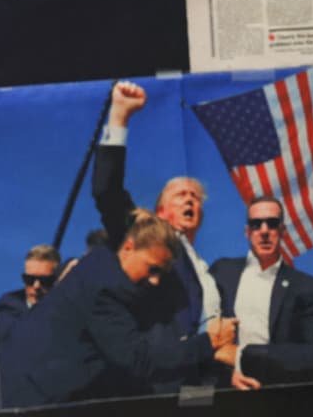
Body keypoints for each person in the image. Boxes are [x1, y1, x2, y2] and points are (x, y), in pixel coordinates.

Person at [0, 212, 237, 410]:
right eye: (152, 269)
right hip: (22, 402)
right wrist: (209, 343)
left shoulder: (103, 261)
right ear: (129, 247)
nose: (155, 281)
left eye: (162, 273)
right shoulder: (105, 290)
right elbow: (139, 361)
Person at [95, 81, 229, 388]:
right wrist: (119, 118)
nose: (190, 201)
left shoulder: (206, 269)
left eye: (195, 198)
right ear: (160, 210)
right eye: (180, 195)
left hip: (207, 380)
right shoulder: (148, 239)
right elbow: (107, 192)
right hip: (163, 380)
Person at [209, 195, 313, 390]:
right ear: (247, 232)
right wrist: (230, 373)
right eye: (256, 224)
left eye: (272, 224)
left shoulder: (305, 287)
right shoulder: (222, 272)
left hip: (277, 394)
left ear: (282, 231)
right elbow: (201, 329)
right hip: (225, 389)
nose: (264, 231)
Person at [0, 244, 60, 351]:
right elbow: (16, 342)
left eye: (45, 281)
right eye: (29, 279)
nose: (36, 286)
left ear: (57, 280)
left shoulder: (69, 308)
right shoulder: (6, 307)